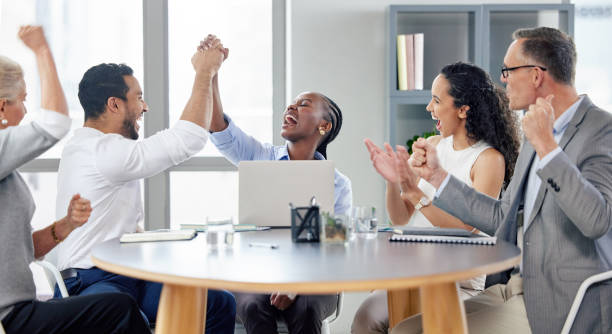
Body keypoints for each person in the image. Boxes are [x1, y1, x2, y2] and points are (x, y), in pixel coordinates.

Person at [371, 27, 612, 334]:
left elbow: (597, 220)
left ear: (536, 76)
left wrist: (548, 149)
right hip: (515, 287)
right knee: (404, 329)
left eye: (508, 70)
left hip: (565, 301)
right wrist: (436, 176)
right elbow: (502, 215)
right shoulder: (534, 132)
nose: (503, 80)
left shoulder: (600, 129)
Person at [53, 36, 236, 332]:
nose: (144, 106)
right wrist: (204, 73)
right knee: (121, 313)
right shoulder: (101, 151)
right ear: (114, 104)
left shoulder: (99, 148)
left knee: (216, 303)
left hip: (124, 273)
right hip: (90, 280)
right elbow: (188, 139)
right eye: (138, 97)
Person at [0, 25, 150, 333]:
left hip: (24, 309)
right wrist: (42, 50)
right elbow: (54, 123)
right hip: (10, 319)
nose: (26, 110)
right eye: (23, 100)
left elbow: (25, 248)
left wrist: (67, 224)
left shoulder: (7, 168)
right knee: (118, 308)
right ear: (3, 105)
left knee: (119, 307)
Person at [355, 62, 520, 333]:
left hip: (457, 280)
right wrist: (393, 182)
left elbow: (465, 226)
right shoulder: (431, 145)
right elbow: (400, 216)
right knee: (366, 318)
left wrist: (414, 192)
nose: (429, 108)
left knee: (402, 327)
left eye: (436, 100)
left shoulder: (488, 159)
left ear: (463, 109)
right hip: (411, 270)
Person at [206, 35, 351, 334]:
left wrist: (296, 284)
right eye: (292, 103)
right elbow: (219, 127)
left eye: (304, 104)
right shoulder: (260, 156)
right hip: (256, 272)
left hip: (313, 278)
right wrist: (212, 74)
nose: (292, 107)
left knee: (307, 306)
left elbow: (337, 246)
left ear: (324, 126)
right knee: (251, 306)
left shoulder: (337, 184)